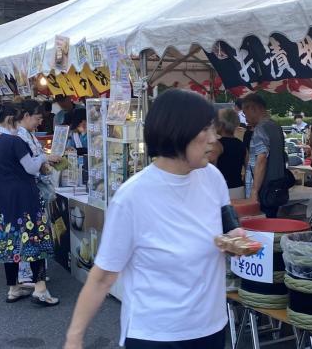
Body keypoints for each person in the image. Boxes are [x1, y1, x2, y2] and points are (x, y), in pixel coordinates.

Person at [63, 89, 243, 349]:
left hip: (211, 327)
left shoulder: (212, 178)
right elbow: (102, 277)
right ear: (178, 132)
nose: (214, 139)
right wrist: (75, 337)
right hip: (156, 335)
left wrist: (235, 237)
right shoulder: (132, 197)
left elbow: (226, 219)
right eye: (207, 130)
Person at [0, 103, 59, 306]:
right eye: (17, 121)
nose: (19, 126)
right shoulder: (14, 141)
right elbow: (31, 168)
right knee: (34, 240)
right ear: (10, 120)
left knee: (9, 241)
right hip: (25, 197)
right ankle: (40, 289)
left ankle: (13, 287)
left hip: (2, 198)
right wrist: (43, 157)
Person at [241, 94, 287, 217]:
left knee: (262, 227)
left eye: (245, 114)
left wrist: (254, 191)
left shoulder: (260, 130)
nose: (245, 118)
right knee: (272, 224)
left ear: (253, 108)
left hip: (264, 189)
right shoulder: (276, 126)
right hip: (277, 186)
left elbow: (261, 160)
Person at [210, 108, 246, 200]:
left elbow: (211, 167)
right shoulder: (241, 145)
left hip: (222, 189)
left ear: (221, 125)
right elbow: (247, 167)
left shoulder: (217, 145)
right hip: (239, 187)